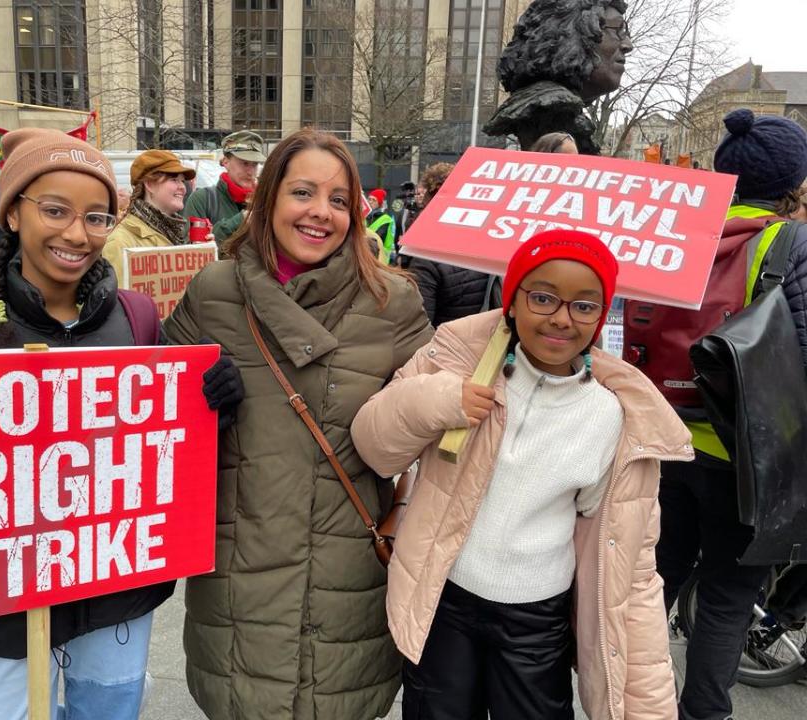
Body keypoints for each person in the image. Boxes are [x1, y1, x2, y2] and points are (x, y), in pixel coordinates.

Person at [351, 228, 692, 719]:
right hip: (444, 600)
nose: (561, 318)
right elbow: (374, 445)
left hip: (538, 620)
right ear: (512, 301)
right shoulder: (457, 362)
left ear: (601, 317)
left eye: (584, 305)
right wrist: (441, 398)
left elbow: (629, 564)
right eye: (543, 297)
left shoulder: (611, 416)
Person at [163, 128, 432, 720]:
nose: (320, 213)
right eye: (303, 192)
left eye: (339, 200)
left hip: (348, 577)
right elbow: (154, 430)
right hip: (240, 576)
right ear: (268, 199)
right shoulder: (213, 294)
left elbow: (434, 438)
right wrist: (199, 407)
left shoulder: (393, 302)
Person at [0, 128, 173, 720]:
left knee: (108, 710)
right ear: (12, 214)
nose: (77, 234)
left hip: (117, 591)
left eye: (98, 217)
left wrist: (212, 396)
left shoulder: (138, 319)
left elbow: (167, 444)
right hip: (2, 600)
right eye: (55, 210)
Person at [654, 109, 807, 720]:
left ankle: (621, 698)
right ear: (791, 178)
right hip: (746, 457)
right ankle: (702, 714)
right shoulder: (790, 243)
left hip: (665, 440)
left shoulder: (681, 233)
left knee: (652, 584)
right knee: (725, 599)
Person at [486, 0, 633, 154]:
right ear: (575, 32)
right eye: (618, 30)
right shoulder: (550, 111)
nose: (627, 45)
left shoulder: (565, 114)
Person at [408, 163, 502, 324]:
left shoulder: (427, 255)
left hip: (443, 344)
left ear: (430, 202)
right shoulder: (488, 245)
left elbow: (420, 325)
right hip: (485, 343)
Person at [103, 149, 196, 285]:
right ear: (150, 185)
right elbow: (117, 303)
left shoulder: (174, 233)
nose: (182, 187)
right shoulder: (120, 242)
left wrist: (201, 254)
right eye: (174, 180)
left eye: (182, 181)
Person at [182, 130, 265, 244]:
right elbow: (194, 252)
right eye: (244, 163)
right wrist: (240, 220)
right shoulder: (203, 200)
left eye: (255, 164)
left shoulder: (265, 201)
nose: (250, 172)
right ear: (226, 162)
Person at [366, 188, 397, 263]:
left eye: (374, 200)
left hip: (380, 258)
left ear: (379, 203)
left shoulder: (386, 219)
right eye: (369, 199)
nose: (370, 202)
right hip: (366, 256)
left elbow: (377, 238)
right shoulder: (365, 217)